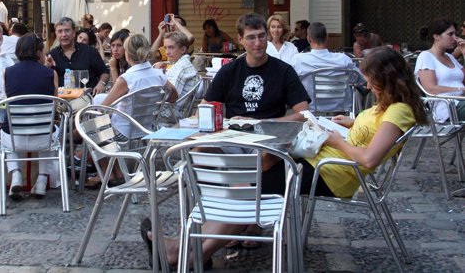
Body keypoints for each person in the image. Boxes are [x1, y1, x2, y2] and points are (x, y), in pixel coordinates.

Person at [144, 46, 427, 267]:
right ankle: (192, 247)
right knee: (256, 176)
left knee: (248, 191)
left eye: (369, 79)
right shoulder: (388, 105)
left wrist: (333, 139)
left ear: (385, 77)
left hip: (332, 172)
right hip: (322, 162)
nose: (366, 85)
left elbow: (368, 159)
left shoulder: (398, 111)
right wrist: (350, 123)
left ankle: (187, 252)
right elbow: (373, 131)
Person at [205, 13, 309, 121]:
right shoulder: (228, 71)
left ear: (268, 36)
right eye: (251, 38)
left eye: (261, 36)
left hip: (273, 133)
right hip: (236, 133)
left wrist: (263, 122)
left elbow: (304, 114)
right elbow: (204, 110)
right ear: (240, 39)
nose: (258, 43)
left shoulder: (284, 71)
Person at [1, 33, 59, 199]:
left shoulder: (7, 72)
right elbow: (54, 105)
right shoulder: (50, 74)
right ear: (39, 53)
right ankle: (41, 180)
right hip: (43, 139)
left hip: (14, 138)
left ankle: (16, 174)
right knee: (51, 128)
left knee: (4, 130)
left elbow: (7, 100)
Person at [100, 34, 177, 138]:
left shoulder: (126, 78)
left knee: (90, 124)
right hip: (147, 130)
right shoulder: (159, 75)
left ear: (127, 54)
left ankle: (80, 152)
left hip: (123, 133)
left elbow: (102, 108)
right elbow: (174, 97)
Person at [292, 22, 359, 113]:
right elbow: (359, 79)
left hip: (311, 112)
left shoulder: (298, 60)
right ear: (327, 37)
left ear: (308, 38)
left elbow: (289, 84)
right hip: (342, 112)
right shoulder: (344, 60)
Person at [415, 18, 465, 122]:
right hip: (447, 107)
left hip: (461, 101)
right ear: (436, 36)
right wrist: (459, 90)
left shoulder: (450, 57)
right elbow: (430, 88)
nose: (455, 38)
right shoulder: (426, 56)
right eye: (450, 34)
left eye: (455, 34)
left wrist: (464, 52)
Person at [47, 17, 109, 96]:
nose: (63, 35)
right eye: (60, 31)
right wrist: (46, 67)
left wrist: (101, 83)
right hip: (61, 99)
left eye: (67, 30)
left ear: (74, 33)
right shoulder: (51, 55)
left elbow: (104, 72)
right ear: (56, 34)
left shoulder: (90, 51)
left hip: (86, 99)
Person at [154, 31, 199, 122]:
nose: (167, 52)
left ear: (182, 50)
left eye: (171, 48)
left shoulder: (181, 67)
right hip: (175, 113)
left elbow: (169, 97)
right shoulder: (182, 64)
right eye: (165, 48)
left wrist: (158, 74)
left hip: (169, 116)